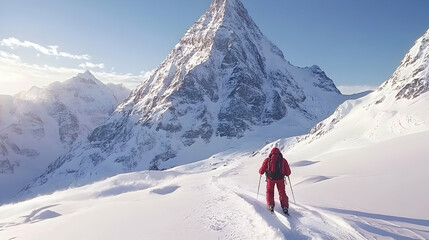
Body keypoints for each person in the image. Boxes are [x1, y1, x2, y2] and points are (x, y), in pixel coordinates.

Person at [258, 147, 291, 214]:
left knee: (270, 192)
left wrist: (261, 172)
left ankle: (271, 205)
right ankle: (285, 206)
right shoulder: (283, 160)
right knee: (282, 192)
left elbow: (261, 171)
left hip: (271, 179)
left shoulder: (267, 160)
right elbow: (288, 172)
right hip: (280, 179)